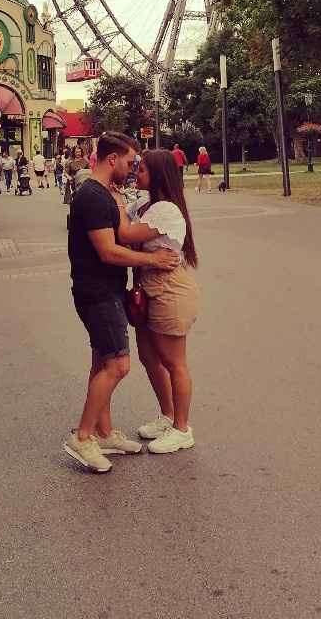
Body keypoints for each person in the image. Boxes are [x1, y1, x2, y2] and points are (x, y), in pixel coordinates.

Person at [64, 131, 179, 474]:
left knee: (102, 363)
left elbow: (122, 235)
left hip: (105, 290)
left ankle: (103, 433)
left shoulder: (101, 194)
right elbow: (109, 251)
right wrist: (152, 261)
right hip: (97, 293)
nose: (132, 169)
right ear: (112, 159)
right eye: (129, 162)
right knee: (118, 365)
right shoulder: (93, 197)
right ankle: (83, 437)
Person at [113, 148, 199, 454]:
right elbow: (124, 224)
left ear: (160, 174)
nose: (138, 173)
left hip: (169, 290)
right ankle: (168, 415)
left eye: (144, 169)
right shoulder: (146, 203)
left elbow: (123, 233)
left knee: (173, 361)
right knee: (150, 358)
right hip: (147, 288)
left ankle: (182, 428)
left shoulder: (167, 210)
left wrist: (115, 197)